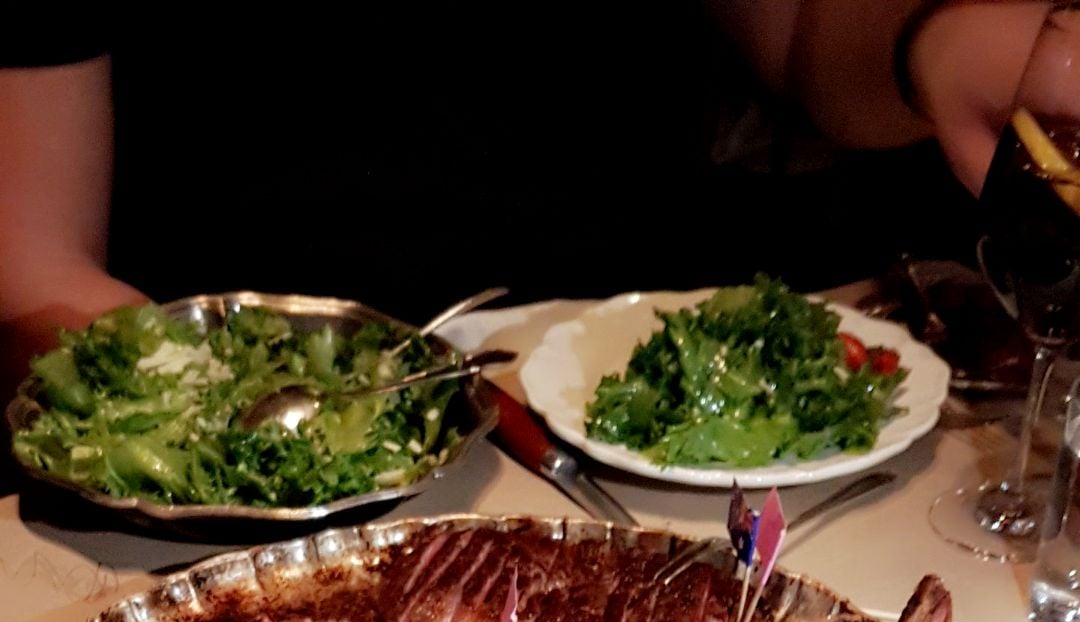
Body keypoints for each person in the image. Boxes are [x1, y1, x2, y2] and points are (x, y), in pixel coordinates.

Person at [0, 3, 1052, 400]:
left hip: (629, 403)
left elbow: (797, 37)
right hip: (250, 412)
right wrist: (229, 415)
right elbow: (30, 266)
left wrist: (937, 40)